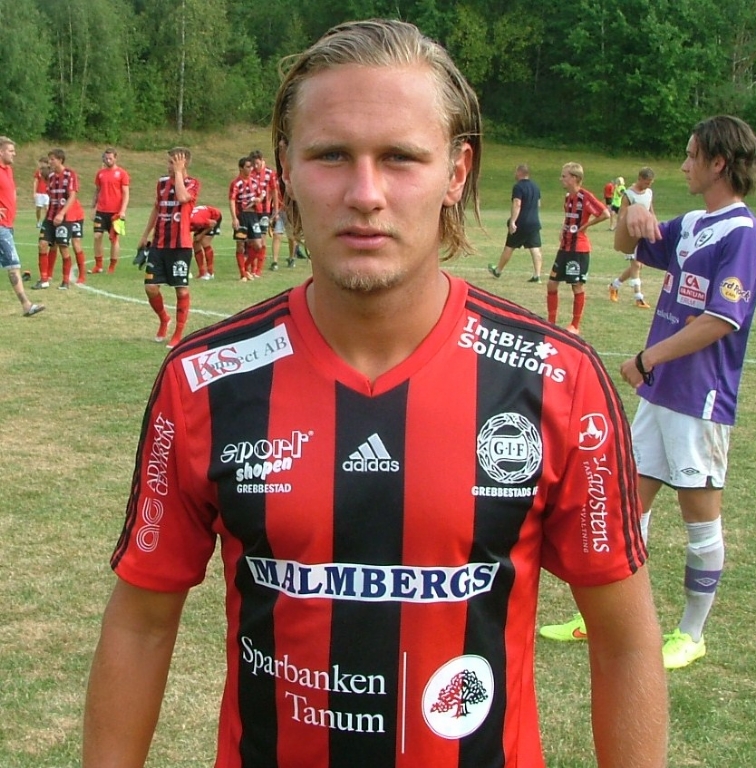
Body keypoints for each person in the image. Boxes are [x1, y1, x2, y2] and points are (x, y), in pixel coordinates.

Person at [83, 19, 667, 768]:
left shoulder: (558, 378)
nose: (365, 194)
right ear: (286, 168)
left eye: (400, 157)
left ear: (456, 171)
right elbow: (140, 626)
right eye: (331, 155)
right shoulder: (205, 380)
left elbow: (623, 642)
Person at [541, 116, 756, 673]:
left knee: (700, 520)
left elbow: (721, 319)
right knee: (626, 508)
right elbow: (628, 245)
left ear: (718, 162)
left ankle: (691, 634)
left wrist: (647, 359)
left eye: (692, 155)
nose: (684, 165)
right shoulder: (692, 223)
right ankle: (610, 618)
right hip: (661, 396)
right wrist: (629, 214)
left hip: (700, 399)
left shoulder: (742, 234)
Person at [137, 147, 199, 349]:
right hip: (159, 243)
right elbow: (157, 207)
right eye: (169, 162)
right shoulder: (162, 183)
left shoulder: (192, 183)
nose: (169, 166)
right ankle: (164, 319)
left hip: (180, 245)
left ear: (183, 163)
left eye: (173, 162)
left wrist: (179, 173)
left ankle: (178, 333)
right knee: (150, 287)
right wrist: (145, 235)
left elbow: (182, 197)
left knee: (181, 291)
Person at [546, 162, 609, 333]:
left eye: (564, 176)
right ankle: (551, 322)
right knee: (552, 284)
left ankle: (575, 325)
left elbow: (605, 214)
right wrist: (563, 229)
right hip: (564, 248)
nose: (561, 179)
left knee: (576, 286)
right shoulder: (568, 197)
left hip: (578, 250)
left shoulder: (585, 197)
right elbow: (568, 217)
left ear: (574, 178)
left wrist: (585, 226)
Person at [0, 137, 45, 316]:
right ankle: (26, 304)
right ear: (1, 151)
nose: (14, 154)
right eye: (10, 151)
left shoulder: (8, 170)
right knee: (13, 264)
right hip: (1, 228)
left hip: (8, 225)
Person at [33, 148, 88, 290]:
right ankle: (44, 279)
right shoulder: (51, 176)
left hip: (67, 217)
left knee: (65, 246)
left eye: (52, 159)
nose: (50, 162)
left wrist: (61, 213)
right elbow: (51, 196)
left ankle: (67, 280)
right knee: (42, 244)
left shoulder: (70, 174)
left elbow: (72, 196)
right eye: (49, 159)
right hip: (51, 216)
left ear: (60, 160)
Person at [608, 167, 656, 308]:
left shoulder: (649, 192)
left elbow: (651, 210)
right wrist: (622, 234)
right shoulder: (629, 195)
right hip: (631, 234)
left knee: (639, 265)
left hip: (644, 233)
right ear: (640, 178)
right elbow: (622, 215)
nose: (648, 185)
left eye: (650, 183)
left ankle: (614, 285)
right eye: (646, 182)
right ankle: (638, 297)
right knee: (636, 265)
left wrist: (655, 225)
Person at [487, 163, 542, 282]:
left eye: (515, 171)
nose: (514, 174)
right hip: (534, 222)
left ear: (519, 172)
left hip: (521, 223)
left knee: (510, 246)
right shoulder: (536, 186)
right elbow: (538, 204)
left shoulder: (518, 187)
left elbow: (517, 203)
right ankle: (537, 275)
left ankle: (498, 271)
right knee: (535, 248)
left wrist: (513, 221)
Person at [91, 147, 130, 274]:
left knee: (114, 239)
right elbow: (97, 191)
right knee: (97, 236)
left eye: (110, 158)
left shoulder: (122, 173)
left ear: (115, 158)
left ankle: (112, 266)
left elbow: (126, 194)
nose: (108, 160)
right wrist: (93, 207)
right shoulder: (100, 173)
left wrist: (123, 211)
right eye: (106, 158)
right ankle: (98, 265)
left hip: (116, 213)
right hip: (101, 211)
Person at [228, 156, 264, 281]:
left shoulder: (254, 182)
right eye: (248, 167)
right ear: (241, 168)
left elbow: (261, 194)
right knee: (240, 245)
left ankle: (246, 267)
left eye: (251, 167)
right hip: (241, 216)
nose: (251, 169)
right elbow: (232, 200)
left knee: (258, 245)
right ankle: (243, 273)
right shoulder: (236, 183)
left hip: (253, 216)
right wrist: (234, 218)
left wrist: (259, 199)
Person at [249, 148, 279, 272]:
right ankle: (252, 266)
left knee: (262, 238)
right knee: (252, 239)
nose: (256, 166)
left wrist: (276, 210)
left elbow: (275, 191)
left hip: (265, 211)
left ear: (262, 160)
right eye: (253, 163)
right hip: (252, 210)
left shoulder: (269, 173)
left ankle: (258, 269)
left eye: (257, 163)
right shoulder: (250, 173)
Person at [191, 203, 221, 279]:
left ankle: (210, 273)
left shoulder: (197, 221)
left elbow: (212, 224)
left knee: (204, 241)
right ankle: (202, 273)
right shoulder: (184, 222)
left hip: (214, 217)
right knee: (195, 244)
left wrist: (201, 235)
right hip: (203, 218)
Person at [32, 156, 50, 229]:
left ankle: (47, 222)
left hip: (47, 193)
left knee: (47, 208)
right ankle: (38, 221)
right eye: (40, 163)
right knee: (38, 208)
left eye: (42, 163)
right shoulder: (38, 172)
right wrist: (34, 192)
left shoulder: (50, 171)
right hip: (39, 193)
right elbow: (35, 182)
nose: (41, 164)